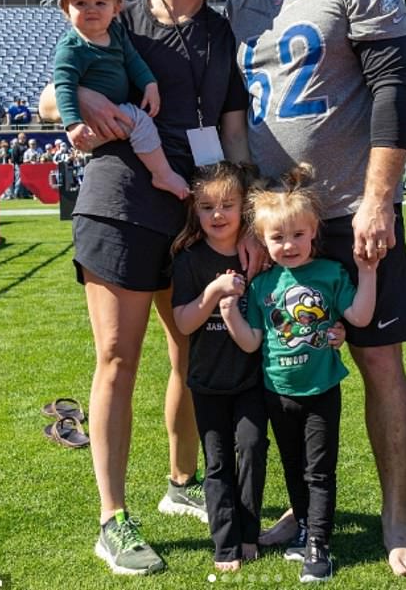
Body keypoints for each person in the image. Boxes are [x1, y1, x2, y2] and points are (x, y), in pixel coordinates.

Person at [219, 0, 406, 576]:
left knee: (376, 358)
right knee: (284, 367)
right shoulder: (243, 6)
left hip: (350, 208)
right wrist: (251, 218)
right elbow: (237, 122)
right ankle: (306, 508)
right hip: (281, 221)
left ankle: (397, 516)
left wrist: (379, 197)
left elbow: (393, 87)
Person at [37, 0, 250, 576]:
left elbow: (230, 121)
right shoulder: (115, 12)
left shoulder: (221, 31)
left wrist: (240, 207)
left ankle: (180, 483)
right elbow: (51, 95)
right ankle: (112, 518)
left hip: (192, 209)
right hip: (122, 203)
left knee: (191, 351)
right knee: (118, 359)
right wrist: (90, 104)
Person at [220, 164, 377, 583]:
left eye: (297, 236)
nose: (288, 245)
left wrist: (368, 271)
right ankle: (305, 524)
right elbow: (252, 342)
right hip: (277, 390)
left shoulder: (330, 274)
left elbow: (359, 315)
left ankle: (318, 547)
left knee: (319, 471)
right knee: (293, 467)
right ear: (263, 239)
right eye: (277, 238)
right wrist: (228, 313)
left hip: (321, 388)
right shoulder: (261, 285)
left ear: (313, 232)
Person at [171, 161, 267, 573]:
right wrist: (213, 293)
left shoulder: (257, 255)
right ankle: (225, 544)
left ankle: (248, 533)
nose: (217, 215)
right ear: (196, 210)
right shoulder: (189, 260)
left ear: (243, 207)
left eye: (228, 205)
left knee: (251, 450)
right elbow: (184, 322)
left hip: (250, 380)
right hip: (207, 382)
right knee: (217, 464)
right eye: (207, 206)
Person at [54, 0, 189, 200]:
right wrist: (73, 124)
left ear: (116, 8)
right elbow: (63, 87)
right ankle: (163, 174)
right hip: (90, 125)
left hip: (110, 114)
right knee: (140, 121)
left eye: (100, 2)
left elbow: (133, 60)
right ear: (66, 10)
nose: (91, 9)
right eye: (80, 3)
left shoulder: (116, 32)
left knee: (136, 120)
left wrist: (150, 84)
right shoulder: (71, 47)